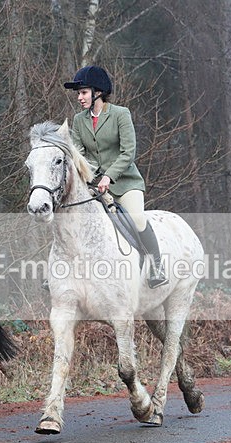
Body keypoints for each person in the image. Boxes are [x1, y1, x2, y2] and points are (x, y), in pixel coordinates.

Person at [63, 65, 167, 288]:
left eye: (83, 92)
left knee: (137, 219)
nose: (79, 98)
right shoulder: (79, 120)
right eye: (78, 93)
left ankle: (156, 267)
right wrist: (87, 179)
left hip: (125, 183)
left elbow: (128, 152)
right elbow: (79, 155)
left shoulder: (120, 114)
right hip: (94, 184)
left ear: (98, 92)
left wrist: (108, 177)